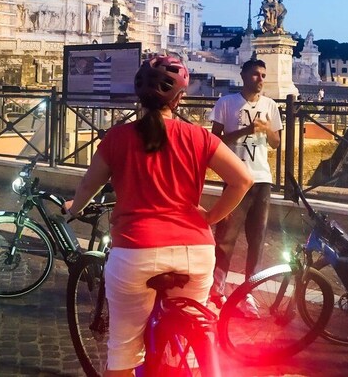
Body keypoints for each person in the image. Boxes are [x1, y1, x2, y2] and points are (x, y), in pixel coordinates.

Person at [64, 56, 252, 377]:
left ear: (140, 96)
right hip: (196, 253)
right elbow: (243, 180)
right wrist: (210, 218)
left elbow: (87, 186)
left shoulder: (117, 138)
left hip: (135, 252)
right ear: (180, 98)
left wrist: (74, 208)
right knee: (189, 340)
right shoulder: (200, 137)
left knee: (123, 351)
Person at [208, 59, 282, 310]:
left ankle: (247, 292)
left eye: (263, 75)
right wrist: (245, 130)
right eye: (255, 75)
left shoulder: (270, 106)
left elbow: (276, 143)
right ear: (243, 75)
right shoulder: (226, 103)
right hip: (235, 178)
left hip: (262, 179)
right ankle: (216, 289)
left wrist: (267, 131)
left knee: (257, 239)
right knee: (226, 236)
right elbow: (214, 141)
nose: (260, 79)